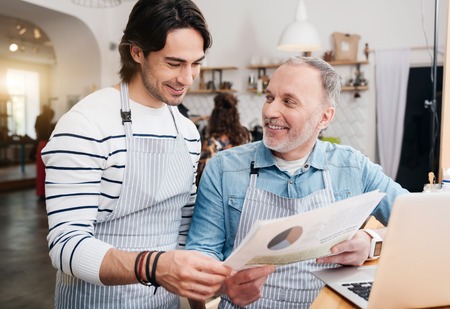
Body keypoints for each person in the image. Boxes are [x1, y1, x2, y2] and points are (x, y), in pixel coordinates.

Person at [41, 0, 231, 308]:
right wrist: (154, 267)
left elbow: (184, 226)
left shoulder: (187, 132)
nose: (187, 78)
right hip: (96, 301)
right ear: (137, 52)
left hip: (166, 302)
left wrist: (199, 298)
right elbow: (66, 246)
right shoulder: (86, 123)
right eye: (174, 63)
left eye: (196, 63)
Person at [185, 56, 409, 308]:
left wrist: (372, 242)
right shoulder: (224, 168)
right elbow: (199, 258)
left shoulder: (352, 167)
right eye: (269, 97)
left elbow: (418, 223)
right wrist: (223, 286)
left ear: (324, 118)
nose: (269, 111)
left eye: (289, 101)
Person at [196, 92, 252, 185]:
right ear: (235, 115)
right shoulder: (246, 134)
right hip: (243, 187)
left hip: (220, 191)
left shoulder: (212, 142)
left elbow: (204, 174)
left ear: (215, 116)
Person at [34, 104, 55, 198]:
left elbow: (36, 130)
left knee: (41, 170)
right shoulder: (50, 123)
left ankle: (41, 191)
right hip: (48, 144)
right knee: (47, 170)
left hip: (41, 144)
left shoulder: (39, 118)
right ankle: (45, 191)